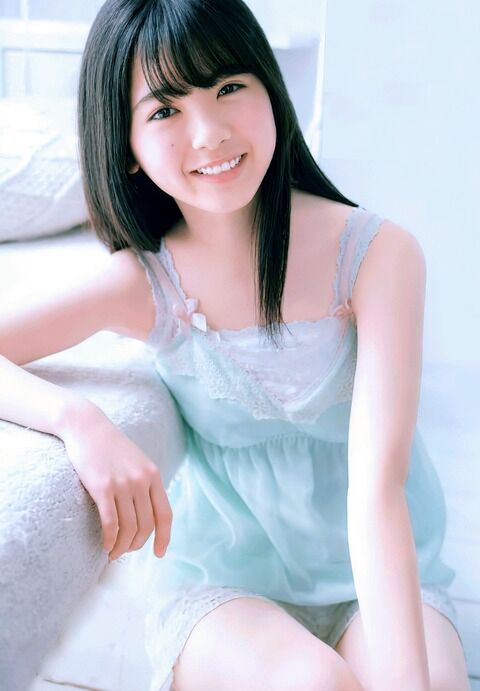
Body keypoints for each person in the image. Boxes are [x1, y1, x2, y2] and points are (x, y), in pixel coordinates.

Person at [0, 0, 469, 690]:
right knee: (316, 684)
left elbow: (379, 489)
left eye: (227, 87)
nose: (210, 132)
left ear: (269, 89)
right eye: (165, 110)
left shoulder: (377, 255)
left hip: (383, 569)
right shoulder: (145, 283)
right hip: (226, 583)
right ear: (125, 144)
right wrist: (79, 420)